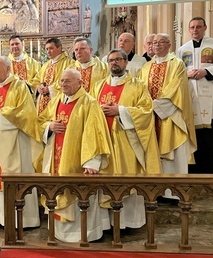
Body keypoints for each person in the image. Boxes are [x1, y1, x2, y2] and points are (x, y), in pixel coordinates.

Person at [38, 68, 113, 242]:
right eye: (62, 80)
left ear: (80, 83)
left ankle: (84, 234)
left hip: (79, 161)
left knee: (80, 193)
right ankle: (59, 233)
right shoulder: (56, 100)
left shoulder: (89, 103)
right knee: (57, 192)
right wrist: (49, 126)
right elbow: (41, 120)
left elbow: (95, 133)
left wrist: (92, 162)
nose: (64, 84)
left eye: (68, 81)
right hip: (56, 158)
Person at [91, 49, 161, 229]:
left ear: (126, 62)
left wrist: (120, 111)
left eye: (118, 60)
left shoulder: (138, 85)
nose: (114, 63)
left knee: (126, 180)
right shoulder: (98, 85)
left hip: (126, 143)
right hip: (102, 141)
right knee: (104, 183)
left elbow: (146, 112)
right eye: (111, 60)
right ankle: (106, 225)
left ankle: (128, 223)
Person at [0, 56, 42, 227]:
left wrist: (1, 114)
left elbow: (27, 113)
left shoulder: (19, 87)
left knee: (13, 176)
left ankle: (22, 220)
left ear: (7, 68)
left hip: (15, 142)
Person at [177, 17, 213, 174]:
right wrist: (187, 74)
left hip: (212, 98)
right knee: (195, 138)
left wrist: (206, 72)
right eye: (192, 27)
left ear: (205, 27)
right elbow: (177, 72)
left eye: (198, 27)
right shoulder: (182, 49)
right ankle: (195, 174)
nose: (195, 30)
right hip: (191, 99)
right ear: (189, 30)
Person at [138, 33, 197, 176]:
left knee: (172, 149)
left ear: (169, 45)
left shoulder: (177, 64)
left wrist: (155, 105)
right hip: (150, 116)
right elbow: (139, 88)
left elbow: (176, 88)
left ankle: (174, 191)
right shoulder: (146, 67)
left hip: (170, 115)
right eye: (154, 42)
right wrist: (144, 106)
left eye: (161, 42)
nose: (157, 45)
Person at [33, 37, 73, 114]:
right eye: (47, 49)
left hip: (58, 101)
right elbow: (36, 79)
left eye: (51, 48)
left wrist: (50, 89)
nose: (48, 51)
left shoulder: (69, 63)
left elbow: (68, 80)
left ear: (59, 48)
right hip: (42, 102)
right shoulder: (45, 65)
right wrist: (38, 87)